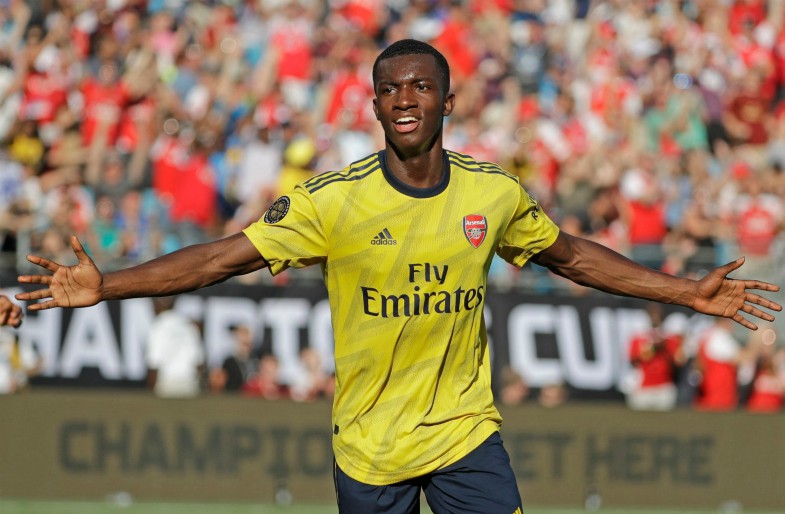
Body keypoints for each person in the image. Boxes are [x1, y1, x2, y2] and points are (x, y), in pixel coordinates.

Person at [14, 40, 782, 513]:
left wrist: (685, 291)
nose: (404, 98)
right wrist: (107, 285)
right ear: (374, 104)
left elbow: (571, 256)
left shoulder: (493, 193)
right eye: (390, 88)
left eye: (419, 86)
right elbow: (221, 258)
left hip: (465, 436)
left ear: (447, 100)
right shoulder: (333, 201)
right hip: (369, 450)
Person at [625, 303, 686, 411]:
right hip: (643, 388)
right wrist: (651, 349)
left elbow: (679, 362)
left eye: (657, 313)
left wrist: (665, 347)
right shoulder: (639, 336)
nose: (655, 316)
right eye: (652, 313)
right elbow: (632, 359)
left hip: (664, 387)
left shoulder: (669, 337)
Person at [145, 296, 205, 398]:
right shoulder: (188, 324)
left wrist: (151, 391)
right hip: (189, 381)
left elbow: (154, 363)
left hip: (167, 381)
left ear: (158, 305)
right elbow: (198, 361)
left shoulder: (158, 326)